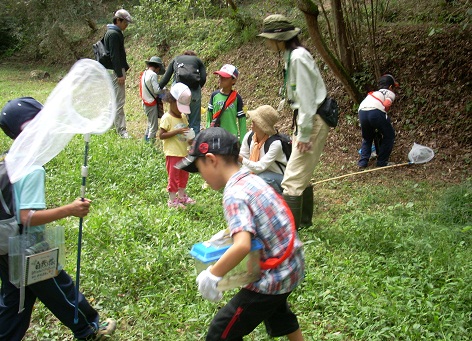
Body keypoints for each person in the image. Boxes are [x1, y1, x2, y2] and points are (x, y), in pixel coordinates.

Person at [0, 97, 116, 341]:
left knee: (15, 301)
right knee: (60, 289)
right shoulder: (32, 169)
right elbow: (27, 217)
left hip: (7, 248)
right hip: (28, 248)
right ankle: (88, 327)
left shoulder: (9, 160)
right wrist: (70, 209)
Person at [175, 127, 305, 341]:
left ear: (211, 159)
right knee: (278, 313)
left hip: (274, 275)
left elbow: (243, 245)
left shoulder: (234, 194)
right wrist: (227, 234)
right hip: (292, 265)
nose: (202, 178)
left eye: (199, 169)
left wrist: (212, 275)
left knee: (221, 330)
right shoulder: (250, 178)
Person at [258, 14, 330, 229]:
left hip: (312, 120)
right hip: (307, 119)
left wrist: (305, 134)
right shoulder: (292, 56)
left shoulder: (298, 58)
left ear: (279, 39)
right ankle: (304, 224)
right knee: (300, 175)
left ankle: (291, 231)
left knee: (291, 180)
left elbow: (307, 98)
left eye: (268, 37)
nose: (266, 42)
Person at [159, 83, 196, 208]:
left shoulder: (183, 117)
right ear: (171, 101)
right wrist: (177, 132)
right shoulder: (167, 118)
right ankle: (172, 201)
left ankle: (181, 196)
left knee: (183, 176)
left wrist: (191, 140)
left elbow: (186, 133)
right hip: (172, 153)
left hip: (183, 152)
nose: (181, 110)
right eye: (179, 106)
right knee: (173, 177)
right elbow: (161, 135)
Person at [239, 105, 287, 194]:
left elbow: (259, 167)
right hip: (262, 174)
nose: (251, 121)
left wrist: (240, 159)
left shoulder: (275, 144)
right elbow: (243, 157)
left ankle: (281, 199)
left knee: (261, 178)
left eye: (255, 120)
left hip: (282, 179)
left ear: (262, 126)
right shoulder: (250, 136)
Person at [159, 50, 206, 135]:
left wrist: (159, 89)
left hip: (178, 95)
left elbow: (165, 78)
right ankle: (193, 144)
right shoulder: (198, 60)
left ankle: (179, 140)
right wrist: (196, 89)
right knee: (195, 122)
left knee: (178, 118)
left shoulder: (176, 59)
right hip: (194, 93)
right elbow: (203, 78)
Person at [103, 9, 133, 138]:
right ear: (118, 20)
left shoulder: (110, 32)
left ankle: (109, 127)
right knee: (119, 101)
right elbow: (115, 56)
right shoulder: (114, 34)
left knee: (112, 100)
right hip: (115, 72)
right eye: (125, 22)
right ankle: (121, 130)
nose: (126, 25)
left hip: (110, 71)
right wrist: (120, 74)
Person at [358, 74, 399, 168]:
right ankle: (381, 162)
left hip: (362, 111)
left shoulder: (375, 93)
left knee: (367, 137)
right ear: (390, 86)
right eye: (393, 87)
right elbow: (387, 103)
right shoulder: (389, 93)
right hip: (375, 111)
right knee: (389, 135)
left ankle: (363, 163)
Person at [206, 64, 247, 143]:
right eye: (220, 76)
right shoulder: (214, 96)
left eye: (225, 78)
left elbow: (242, 121)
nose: (221, 79)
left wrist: (242, 142)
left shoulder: (237, 98)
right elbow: (209, 117)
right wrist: (208, 133)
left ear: (233, 80)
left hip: (231, 137)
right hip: (215, 136)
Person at [140, 56, 165, 143]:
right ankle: (150, 145)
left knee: (150, 123)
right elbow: (157, 90)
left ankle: (146, 141)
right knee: (154, 126)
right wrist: (164, 90)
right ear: (157, 67)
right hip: (151, 102)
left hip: (145, 101)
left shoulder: (145, 73)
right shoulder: (153, 75)